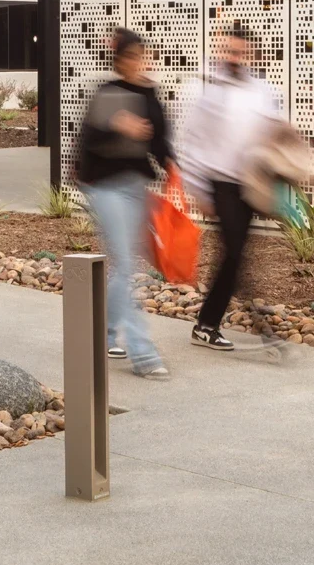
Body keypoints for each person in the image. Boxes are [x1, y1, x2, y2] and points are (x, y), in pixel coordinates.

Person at [177, 27, 285, 350]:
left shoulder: (262, 91)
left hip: (249, 184)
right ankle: (220, 324)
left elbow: (273, 130)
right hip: (220, 183)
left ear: (249, 54)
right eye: (230, 51)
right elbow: (193, 141)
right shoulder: (210, 93)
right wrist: (196, 188)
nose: (234, 57)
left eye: (240, 52)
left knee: (237, 255)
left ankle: (210, 324)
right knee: (235, 252)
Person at [76, 28, 174, 378]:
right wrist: (119, 124)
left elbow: (161, 142)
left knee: (126, 267)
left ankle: (103, 333)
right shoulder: (107, 93)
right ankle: (143, 353)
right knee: (128, 264)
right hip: (105, 187)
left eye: (140, 56)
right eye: (129, 57)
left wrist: (177, 173)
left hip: (135, 186)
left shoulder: (149, 92)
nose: (136, 63)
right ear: (119, 61)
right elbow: (87, 144)